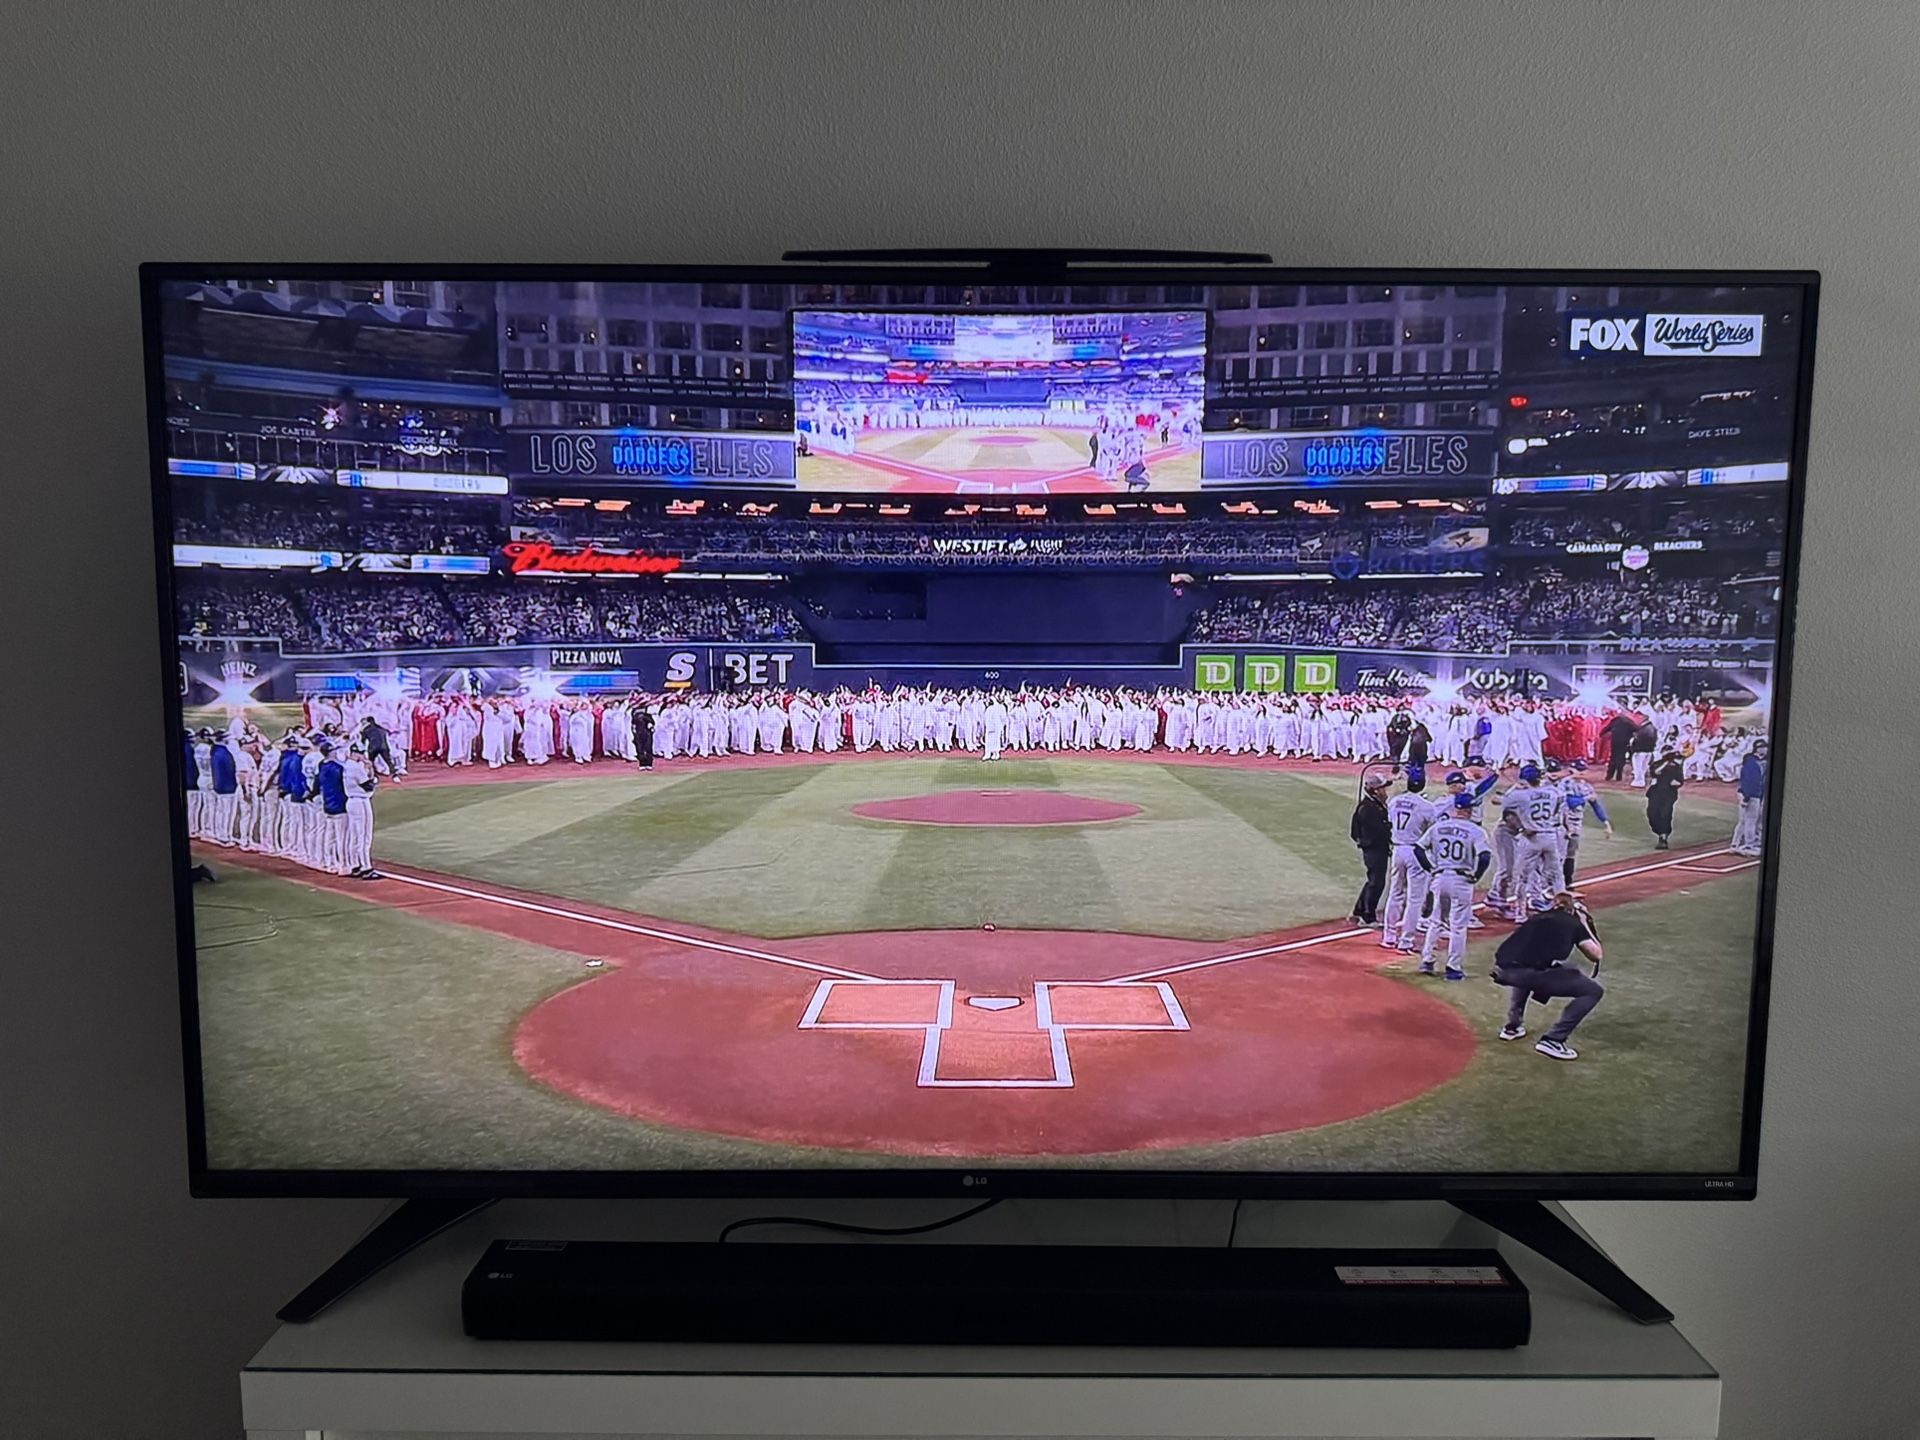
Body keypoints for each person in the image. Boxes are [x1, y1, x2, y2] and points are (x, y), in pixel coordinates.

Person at [1491, 890, 1606, 1061]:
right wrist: (1584, 923)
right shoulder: (1573, 922)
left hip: (1501, 970)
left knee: (1536, 968)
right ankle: (1553, 1040)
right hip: (1530, 973)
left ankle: (1512, 1027)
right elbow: (1596, 955)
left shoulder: (1537, 918)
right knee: (1593, 991)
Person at [1414, 792, 1492, 980]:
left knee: (1436, 921)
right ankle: (1453, 967)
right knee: (1458, 926)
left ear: (1455, 808)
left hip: (1440, 878)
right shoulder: (1476, 831)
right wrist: (1476, 875)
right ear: (1470, 810)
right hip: (1461, 880)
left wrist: (1431, 869)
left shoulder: (1438, 827)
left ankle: (1427, 960)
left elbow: (1418, 849)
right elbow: (1484, 856)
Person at [1380, 776, 1439, 952]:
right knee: (1415, 898)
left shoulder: (1394, 801)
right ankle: (1406, 940)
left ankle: (1388, 936)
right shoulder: (1427, 806)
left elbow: (1389, 821)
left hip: (1398, 849)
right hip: (1416, 851)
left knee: (1395, 893)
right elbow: (1432, 831)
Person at [1348, 775, 1392, 925]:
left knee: (1373, 880)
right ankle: (1368, 916)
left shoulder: (1371, 805)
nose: (1385, 791)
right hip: (1374, 849)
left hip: (1375, 848)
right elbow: (1379, 830)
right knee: (1376, 882)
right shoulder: (1368, 808)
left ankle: (1358, 910)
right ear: (1374, 790)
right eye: (1382, 788)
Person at [1731, 739, 1768, 856]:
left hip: (1746, 793)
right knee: (1751, 821)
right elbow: (1751, 781)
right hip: (1751, 794)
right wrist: (1746, 797)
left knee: (1743, 821)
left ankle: (1735, 844)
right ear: (1759, 748)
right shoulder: (1752, 763)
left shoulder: (1750, 761)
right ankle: (1749, 845)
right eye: (1764, 747)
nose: (1766, 749)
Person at [1645, 747, 1686, 850]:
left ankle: (1663, 837)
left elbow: (1680, 780)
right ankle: (1659, 831)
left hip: (1669, 793)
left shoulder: (1676, 766)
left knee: (1665, 813)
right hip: (1656, 792)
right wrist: (1666, 761)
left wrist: (1676, 783)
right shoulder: (1658, 764)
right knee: (1652, 812)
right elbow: (1655, 772)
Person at [1604, 709, 1638, 783]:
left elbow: (1607, 728)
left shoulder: (1615, 720)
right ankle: (1618, 776)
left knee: (1613, 758)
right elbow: (1636, 729)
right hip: (1623, 742)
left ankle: (1609, 775)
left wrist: (1602, 734)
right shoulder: (1629, 722)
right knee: (1620, 758)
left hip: (1615, 741)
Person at [635, 703, 656, 771]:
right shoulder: (635, 716)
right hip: (639, 734)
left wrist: (651, 727)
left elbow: (652, 724)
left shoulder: (648, 716)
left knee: (648, 748)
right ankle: (642, 764)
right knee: (640, 749)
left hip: (647, 734)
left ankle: (649, 764)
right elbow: (634, 726)